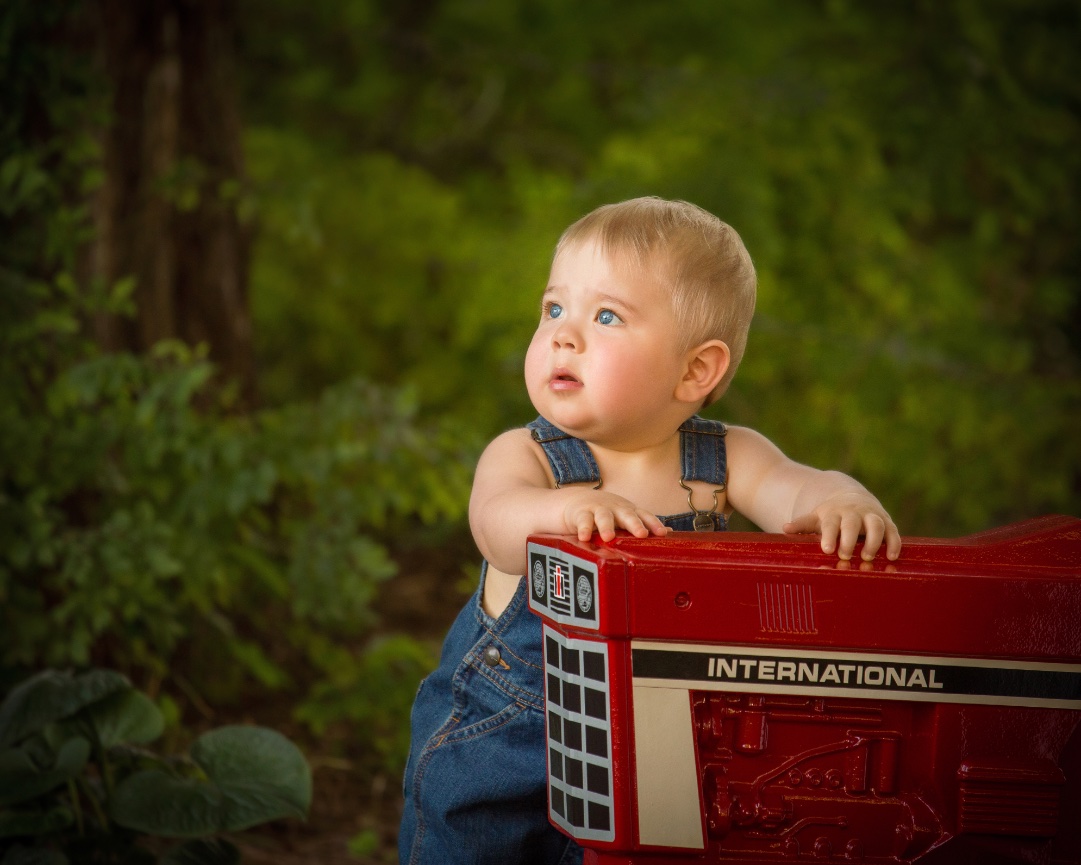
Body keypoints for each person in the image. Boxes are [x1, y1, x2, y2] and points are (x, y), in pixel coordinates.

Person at [399, 197, 901, 865]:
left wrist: (842, 501)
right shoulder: (529, 456)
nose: (564, 335)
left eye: (604, 316)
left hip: (649, 737)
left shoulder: (724, 459)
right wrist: (564, 511)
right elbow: (495, 524)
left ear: (696, 369)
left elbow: (799, 489)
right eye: (554, 309)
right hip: (506, 733)